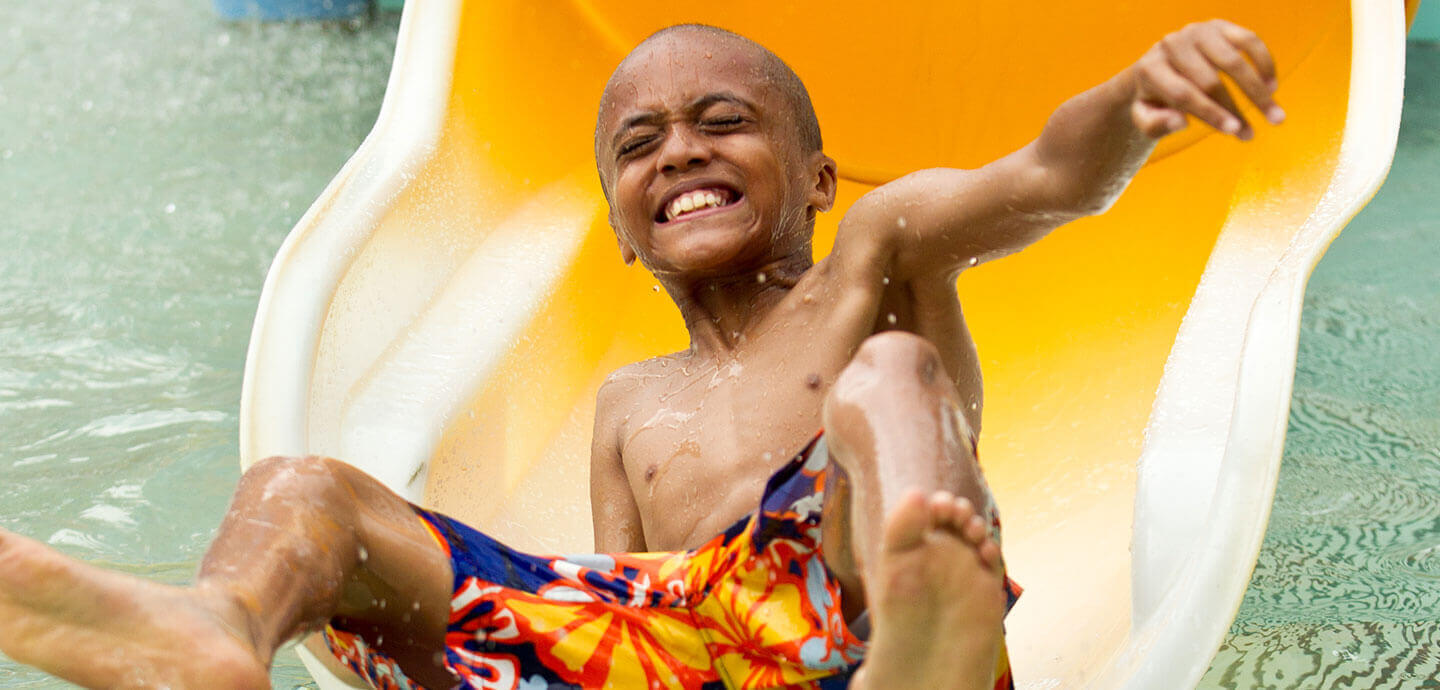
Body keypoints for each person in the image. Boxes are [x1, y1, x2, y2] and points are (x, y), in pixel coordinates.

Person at [0, 20, 1282, 690]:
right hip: (684, 653)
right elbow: (620, 606)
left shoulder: (874, 265)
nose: (680, 152)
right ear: (620, 229)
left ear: (820, 179)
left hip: (865, 626)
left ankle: (927, 616)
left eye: (726, 122)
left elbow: (1051, 178)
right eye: (640, 144)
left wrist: (1138, 101)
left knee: (891, 382)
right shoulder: (627, 404)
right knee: (307, 492)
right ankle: (213, 631)